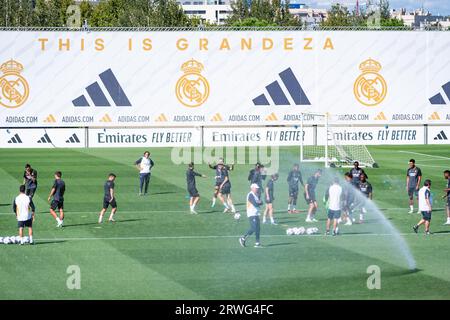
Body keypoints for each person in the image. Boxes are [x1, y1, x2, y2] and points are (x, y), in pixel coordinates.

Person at [239, 184, 263, 248]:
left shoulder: (256, 195)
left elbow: (261, 202)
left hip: (256, 213)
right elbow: (255, 204)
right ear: (252, 188)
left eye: (257, 188)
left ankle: (257, 243)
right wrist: (259, 202)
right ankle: (243, 238)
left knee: (258, 228)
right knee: (254, 228)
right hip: (252, 213)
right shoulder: (250, 195)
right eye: (256, 188)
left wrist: (259, 202)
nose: (257, 189)